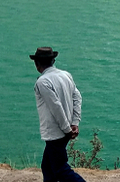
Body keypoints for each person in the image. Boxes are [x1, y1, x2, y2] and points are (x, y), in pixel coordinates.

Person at [30, 46, 86, 182]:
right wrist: (74, 123)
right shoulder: (65, 75)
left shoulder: (42, 82)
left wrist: (67, 129)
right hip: (65, 130)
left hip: (55, 132)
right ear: (53, 61)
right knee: (48, 167)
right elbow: (77, 97)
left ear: (37, 64)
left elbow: (56, 107)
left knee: (60, 170)